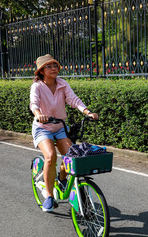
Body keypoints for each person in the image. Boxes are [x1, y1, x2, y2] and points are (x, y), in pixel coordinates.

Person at [29, 54, 99, 212]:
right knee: (50, 157)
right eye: (49, 66)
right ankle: (48, 195)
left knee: (72, 155)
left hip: (59, 126)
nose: (53, 69)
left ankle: (61, 179)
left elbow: (73, 100)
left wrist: (87, 112)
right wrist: (39, 114)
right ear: (41, 71)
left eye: (55, 66)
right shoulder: (37, 86)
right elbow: (34, 103)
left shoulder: (62, 84)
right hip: (42, 127)